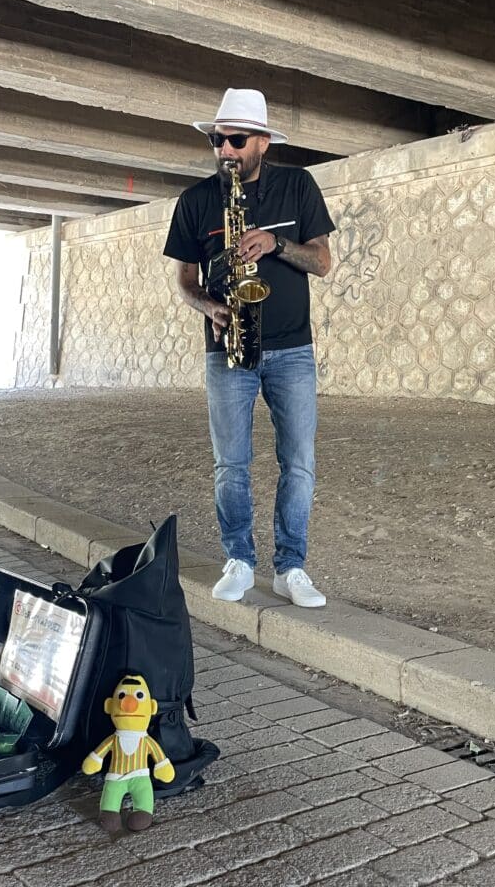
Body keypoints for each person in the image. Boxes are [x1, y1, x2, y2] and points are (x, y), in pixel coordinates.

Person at [163, 88, 335, 607]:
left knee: (299, 462)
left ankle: (291, 567)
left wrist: (276, 244)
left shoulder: (298, 186)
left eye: (236, 140)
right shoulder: (195, 202)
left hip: (292, 351)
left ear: (262, 141)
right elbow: (184, 283)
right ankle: (239, 559)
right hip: (228, 351)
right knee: (230, 464)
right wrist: (209, 308)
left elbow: (324, 263)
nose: (225, 150)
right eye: (218, 140)